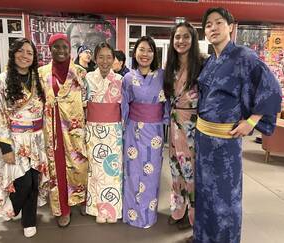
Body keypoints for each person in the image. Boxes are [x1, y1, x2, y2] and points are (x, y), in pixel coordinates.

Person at [194, 8, 282, 243]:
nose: (213, 28)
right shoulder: (210, 61)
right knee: (204, 194)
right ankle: (203, 238)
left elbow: (271, 89)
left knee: (225, 197)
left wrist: (252, 120)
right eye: (208, 25)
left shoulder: (245, 56)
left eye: (219, 22)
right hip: (203, 138)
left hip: (226, 142)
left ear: (231, 26)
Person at [0, 38, 49, 237]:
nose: (25, 56)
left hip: (36, 138)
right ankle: (12, 206)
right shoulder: (1, 81)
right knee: (23, 182)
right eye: (21, 51)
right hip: (14, 139)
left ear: (34, 57)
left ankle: (29, 221)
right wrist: (5, 147)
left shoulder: (38, 79)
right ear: (13, 53)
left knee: (34, 182)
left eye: (29, 52)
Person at [39, 33, 88, 227]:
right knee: (57, 170)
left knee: (80, 164)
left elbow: (88, 101)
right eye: (56, 47)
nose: (61, 51)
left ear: (70, 49)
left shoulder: (80, 73)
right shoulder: (41, 73)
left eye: (64, 47)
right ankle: (63, 209)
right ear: (50, 49)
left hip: (75, 128)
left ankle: (82, 199)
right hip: (53, 130)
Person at [122, 36, 170, 228]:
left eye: (149, 50)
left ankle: (148, 216)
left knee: (152, 173)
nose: (145, 54)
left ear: (154, 54)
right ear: (135, 53)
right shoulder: (127, 78)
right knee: (132, 172)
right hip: (133, 129)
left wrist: (166, 120)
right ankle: (131, 214)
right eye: (141, 49)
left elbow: (168, 102)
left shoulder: (162, 76)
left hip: (155, 130)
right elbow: (124, 105)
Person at [163, 21, 204, 234]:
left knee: (191, 170)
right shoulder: (170, 65)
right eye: (177, 37)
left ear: (193, 39)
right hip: (174, 121)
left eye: (186, 36)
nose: (181, 41)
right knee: (175, 168)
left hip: (193, 125)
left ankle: (193, 214)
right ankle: (178, 209)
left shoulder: (202, 63)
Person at [85, 42, 123, 224]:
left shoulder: (120, 80)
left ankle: (113, 209)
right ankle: (98, 209)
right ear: (95, 58)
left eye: (109, 57)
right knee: (96, 172)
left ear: (114, 59)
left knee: (113, 170)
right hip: (93, 129)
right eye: (101, 57)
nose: (105, 61)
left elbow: (125, 107)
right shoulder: (87, 78)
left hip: (114, 130)